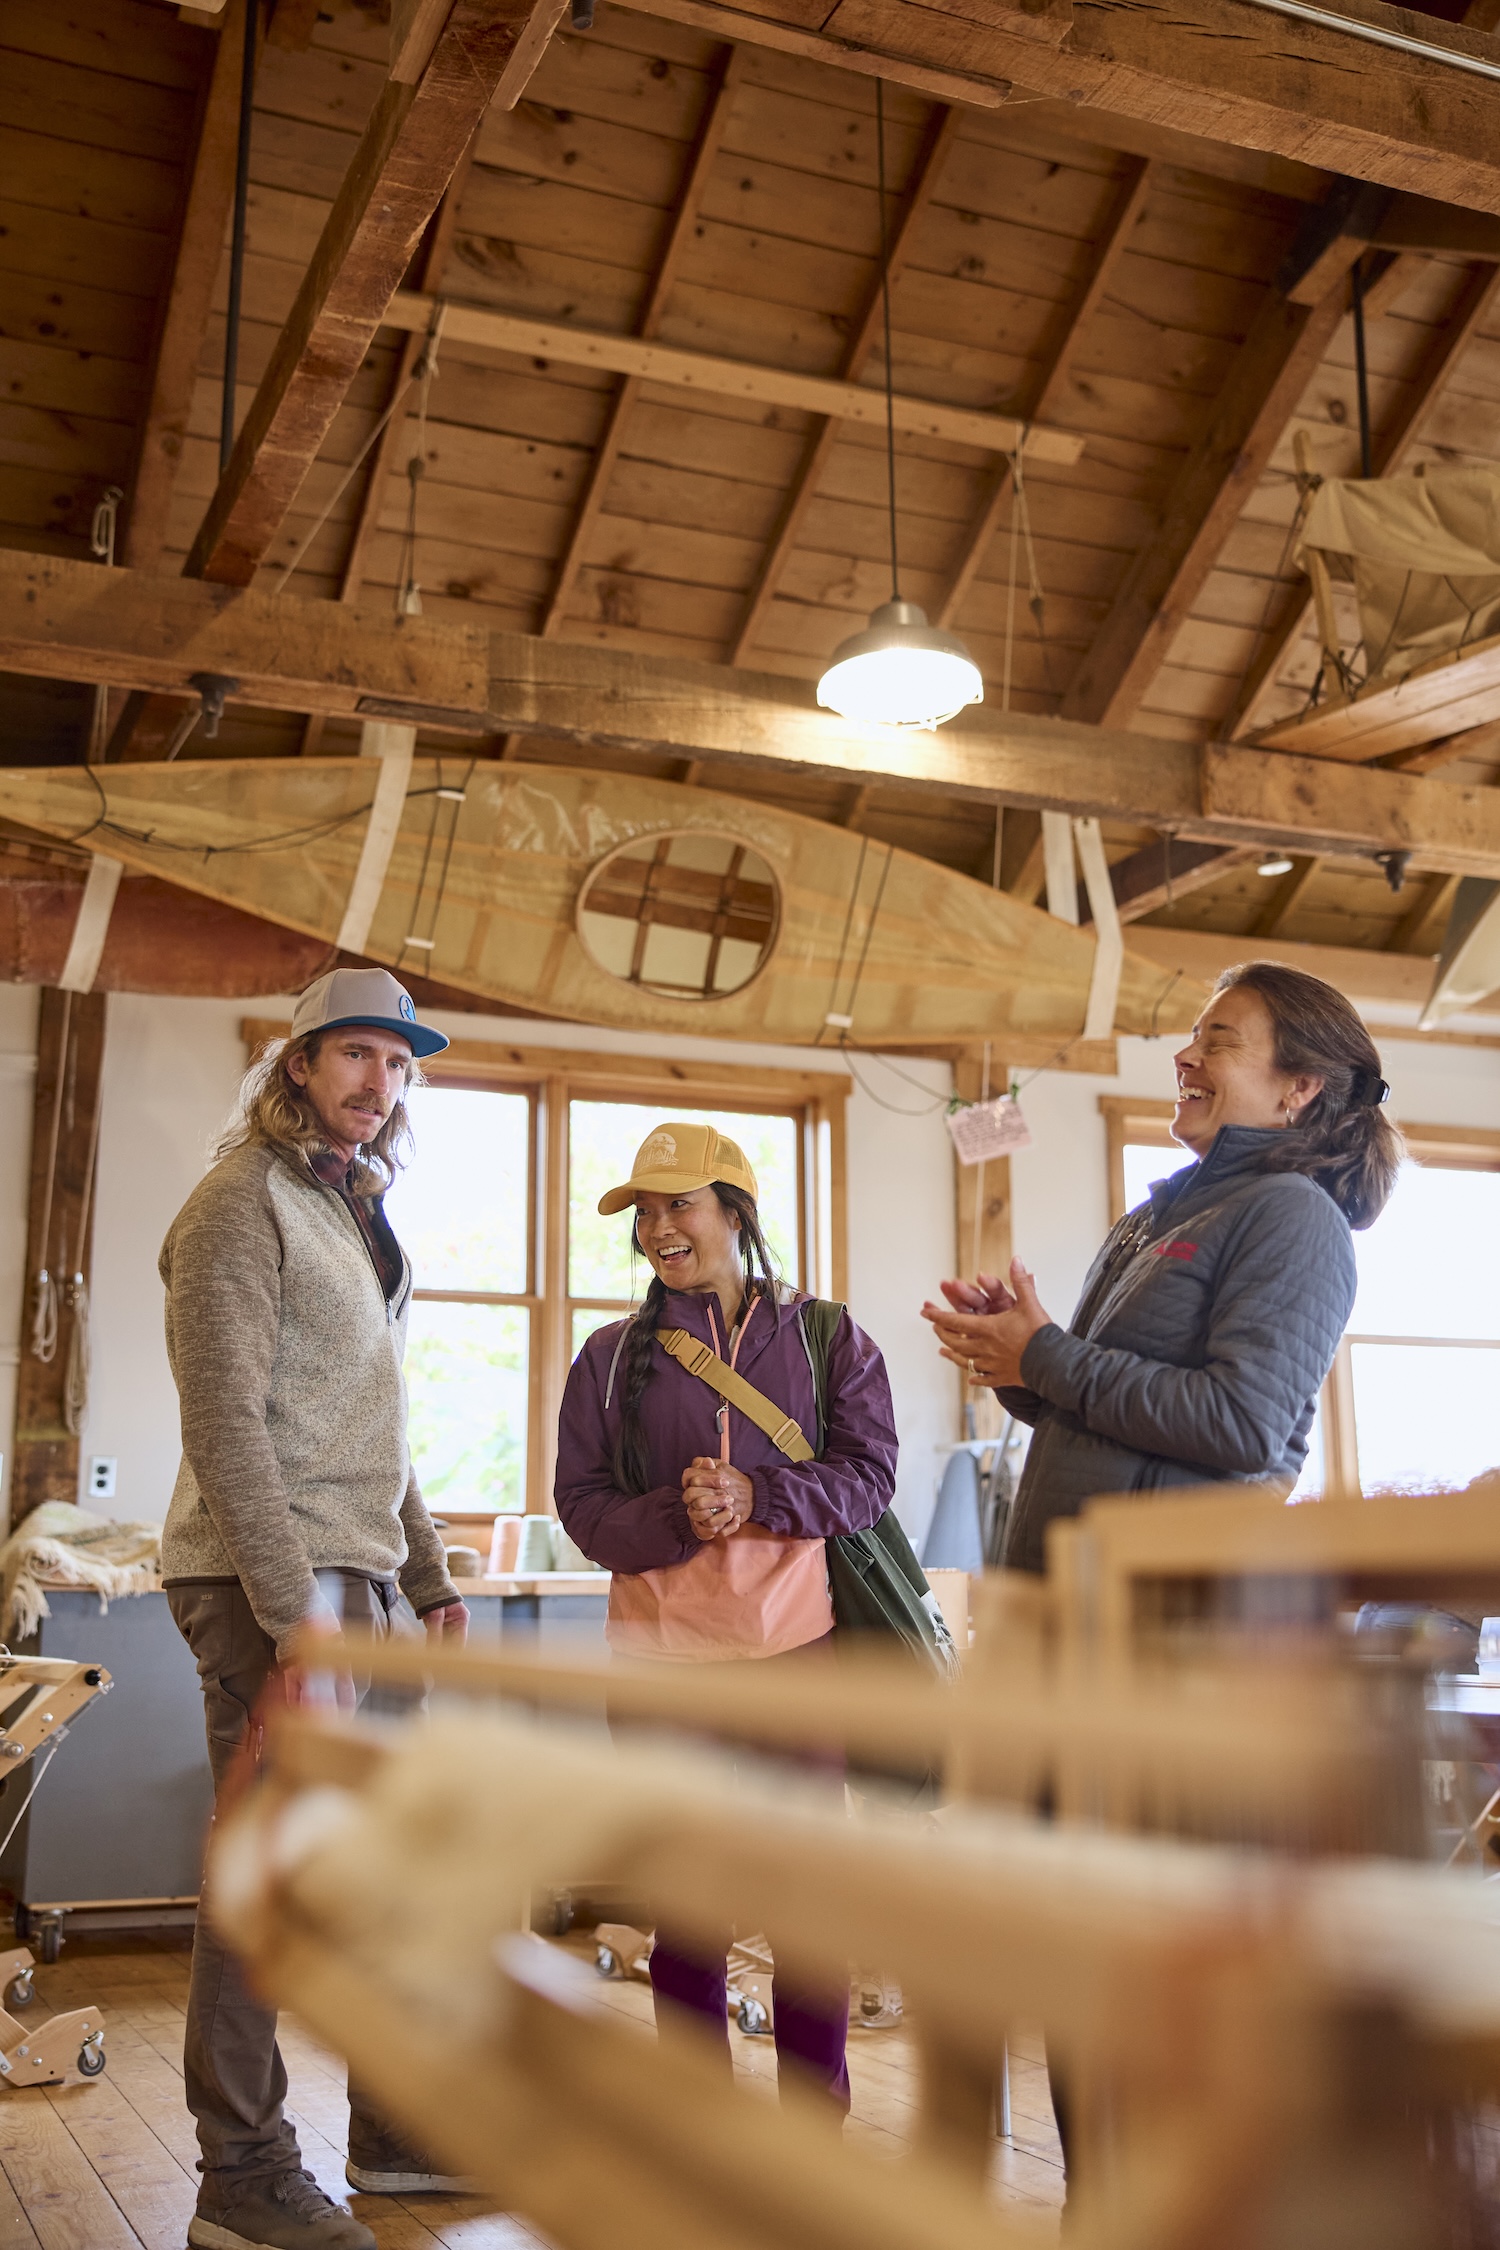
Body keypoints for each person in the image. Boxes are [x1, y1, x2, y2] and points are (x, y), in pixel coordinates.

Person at [160, 968, 472, 2250]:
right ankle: (241, 2176)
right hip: (261, 1580)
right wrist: (292, 1611)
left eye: (398, 1066)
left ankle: (393, 2135)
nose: (377, 1084)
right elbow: (224, 1419)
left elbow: (373, 1425)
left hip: (359, 1576)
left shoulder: (354, 1212)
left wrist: (432, 1573)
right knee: (269, 1884)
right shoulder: (240, 1205)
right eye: (354, 1056)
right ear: (298, 1064)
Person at [555, 1120, 899, 2110]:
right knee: (688, 1917)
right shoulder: (610, 1358)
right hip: (662, 1672)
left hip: (796, 1658)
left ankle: (811, 2134)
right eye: (645, 1210)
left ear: (734, 1213)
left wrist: (758, 1497)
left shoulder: (829, 1337)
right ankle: (701, 2139)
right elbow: (579, 1504)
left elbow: (868, 1481)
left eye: (681, 1204)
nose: (660, 1228)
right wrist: (675, 1514)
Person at [923, 961, 1402, 1574]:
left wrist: (1045, 1354)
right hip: (1075, 1593)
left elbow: (1240, 1424)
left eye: (1219, 1040)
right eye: (1194, 1036)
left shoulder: (1294, 1215)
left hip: (1162, 1613)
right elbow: (1098, 1418)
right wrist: (1018, 1361)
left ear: (1298, 1087)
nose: (1185, 1055)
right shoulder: (1154, 1217)